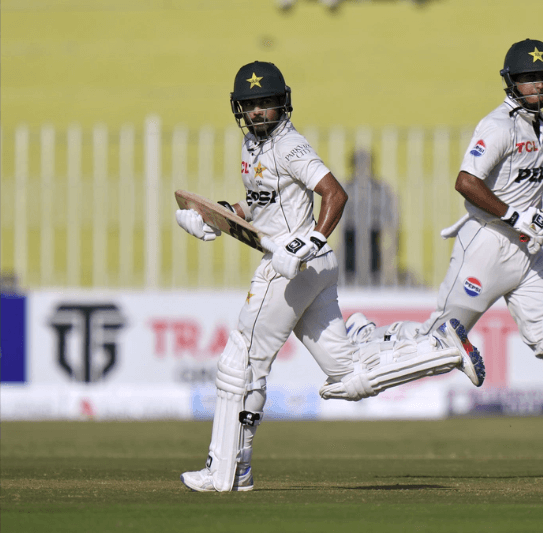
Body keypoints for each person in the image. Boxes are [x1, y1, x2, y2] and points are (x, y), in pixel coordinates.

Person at [175, 61, 485, 492]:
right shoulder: (251, 147)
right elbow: (260, 212)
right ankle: (441, 348)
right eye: (250, 105)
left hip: (295, 267)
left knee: (240, 360)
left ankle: (226, 471)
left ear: (282, 105)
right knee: (348, 374)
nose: (258, 113)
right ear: (239, 109)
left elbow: (335, 193)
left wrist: (308, 242)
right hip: (307, 267)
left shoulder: (290, 146)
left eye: (266, 104)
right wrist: (215, 218)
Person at [346, 40, 543, 476]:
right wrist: (516, 215)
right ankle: (365, 340)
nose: (538, 85)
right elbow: (466, 181)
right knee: (440, 346)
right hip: (486, 247)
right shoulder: (498, 125)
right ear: (511, 82)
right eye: (528, 78)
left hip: (527, 255)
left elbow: (528, 180)